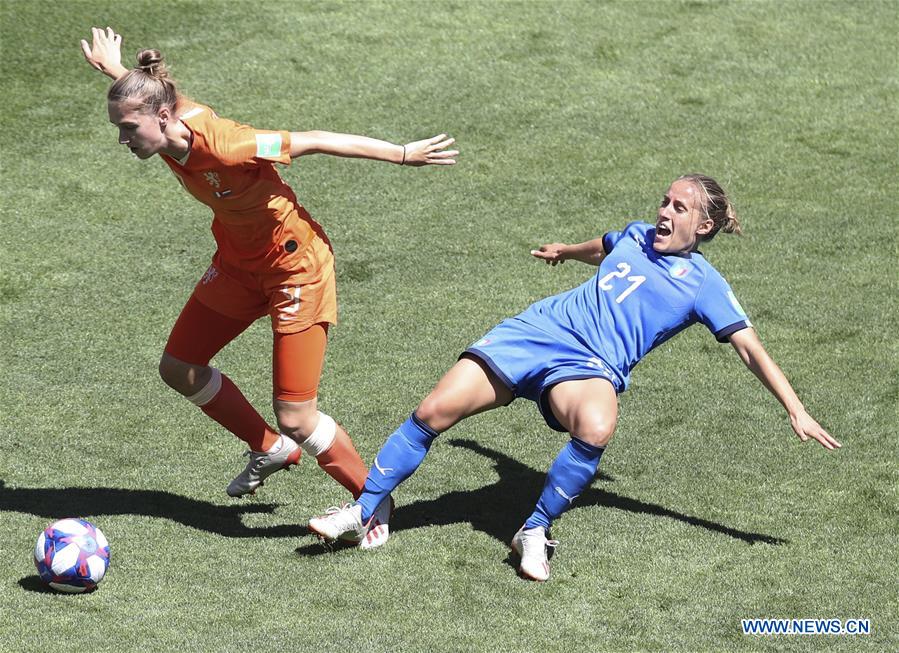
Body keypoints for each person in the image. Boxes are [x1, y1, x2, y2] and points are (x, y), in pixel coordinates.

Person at [308, 174, 841, 578]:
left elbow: (750, 349)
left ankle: (533, 530)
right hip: (539, 331)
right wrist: (566, 252)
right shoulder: (637, 235)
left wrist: (794, 408)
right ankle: (364, 510)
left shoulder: (705, 285)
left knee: (597, 425)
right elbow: (604, 246)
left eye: (678, 207)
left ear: (702, 226)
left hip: (591, 368)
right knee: (433, 411)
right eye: (664, 200)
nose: (663, 211)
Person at [79, 27, 457, 518]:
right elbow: (147, 94)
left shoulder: (227, 145)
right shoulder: (158, 113)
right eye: (120, 128)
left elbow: (316, 140)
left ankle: (371, 507)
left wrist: (403, 153)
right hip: (237, 266)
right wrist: (116, 68)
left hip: (295, 270)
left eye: (129, 128)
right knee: (179, 367)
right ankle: (270, 447)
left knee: (297, 417)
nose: (123, 139)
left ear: (165, 117)